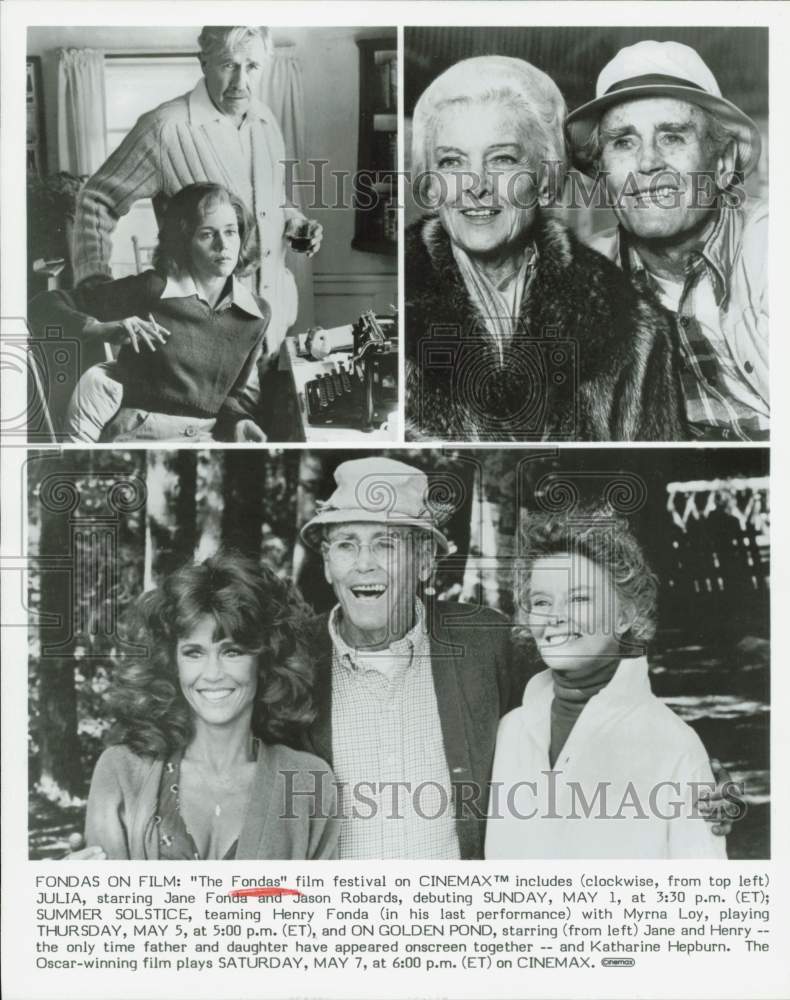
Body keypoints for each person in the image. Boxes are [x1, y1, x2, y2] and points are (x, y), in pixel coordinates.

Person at [405, 55, 688, 442]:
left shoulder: (632, 323)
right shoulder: (396, 301)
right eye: (452, 161)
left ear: (544, 178)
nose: (476, 185)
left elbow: (654, 483)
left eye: (503, 159)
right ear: (432, 184)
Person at [296, 457, 533, 859]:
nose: (364, 563)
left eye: (385, 544)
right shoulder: (293, 659)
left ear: (425, 562)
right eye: (346, 545)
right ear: (326, 563)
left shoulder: (487, 645)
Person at [485, 508, 728, 859]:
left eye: (579, 598)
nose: (555, 616)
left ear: (625, 614)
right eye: (541, 601)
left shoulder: (675, 746)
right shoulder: (508, 732)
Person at [71, 25, 322, 351]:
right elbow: (96, 199)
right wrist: (95, 287)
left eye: (252, 67)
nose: (240, 82)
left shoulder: (266, 121)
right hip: (202, 342)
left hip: (272, 328)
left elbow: (269, 200)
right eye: (228, 65)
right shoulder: (164, 129)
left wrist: (294, 221)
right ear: (203, 62)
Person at [75, 552, 340, 861]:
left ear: (265, 659)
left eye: (232, 652)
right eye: (193, 653)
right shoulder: (121, 771)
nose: (213, 674)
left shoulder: (309, 781)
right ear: (170, 663)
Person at [566, 40, 768, 441]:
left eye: (672, 136)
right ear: (602, 171)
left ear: (723, 163)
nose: (647, 163)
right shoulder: (579, 280)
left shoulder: (775, 246)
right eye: (623, 141)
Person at [29, 183, 270, 442]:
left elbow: (229, 396)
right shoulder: (152, 289)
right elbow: (42, 305)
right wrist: (98, 328)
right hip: (139, 433)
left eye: (231, 232)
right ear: (184, 241)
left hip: (203, 435)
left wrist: (240, 420)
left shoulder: (256, 314)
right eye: (207, 234)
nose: (223, 245)